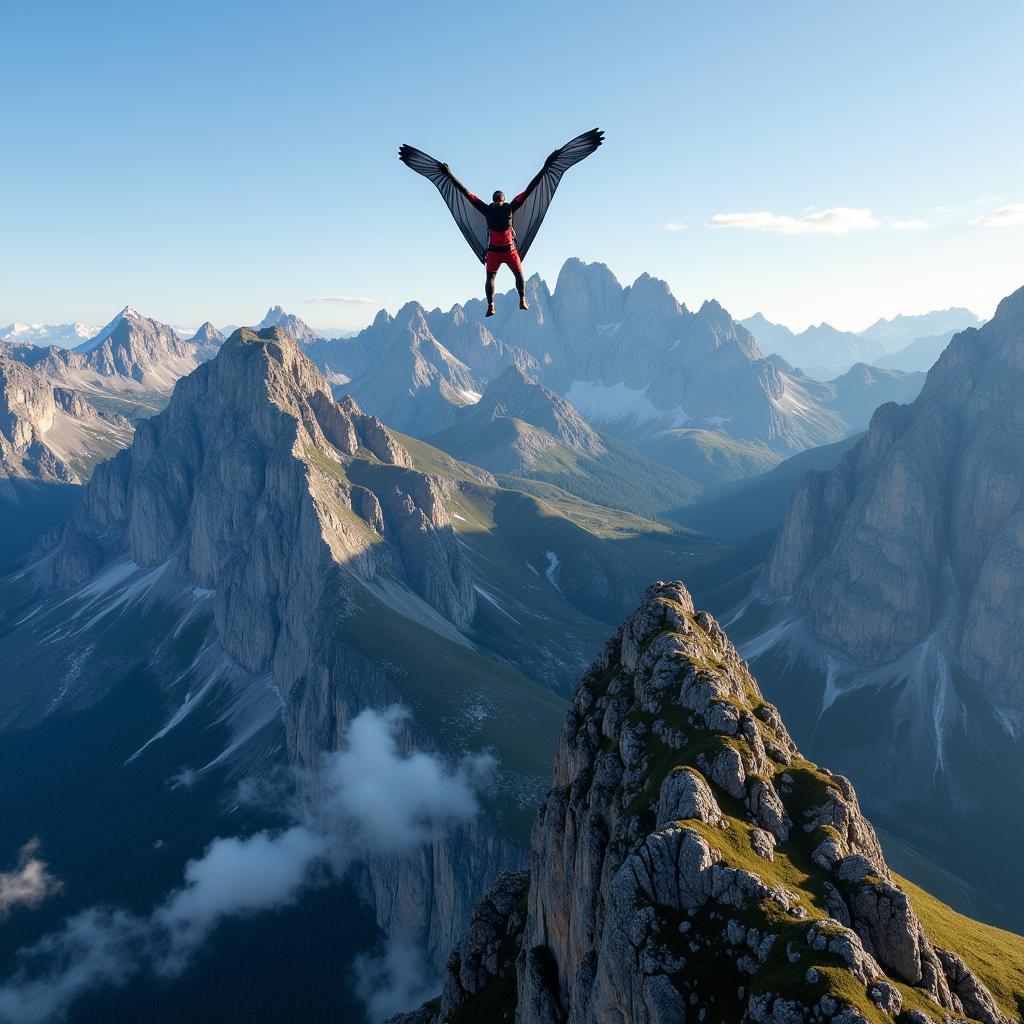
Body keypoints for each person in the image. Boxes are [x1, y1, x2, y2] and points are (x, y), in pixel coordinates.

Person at [399, 129, 604, 316]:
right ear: (503, 199)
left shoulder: (486, 208)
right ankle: (522, 300)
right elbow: (531, 188)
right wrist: (547, 166)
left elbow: (465, 193)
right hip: (509, 250)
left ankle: (492, 305)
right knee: (517, 274)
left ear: (494, 199)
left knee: (491, 278)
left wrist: (448, 174)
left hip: (494, 252)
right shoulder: (509, 207)